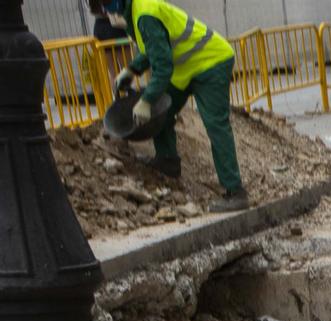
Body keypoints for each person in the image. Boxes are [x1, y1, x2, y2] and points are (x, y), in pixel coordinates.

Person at [101, 0, 245, 211]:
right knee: (162, 113)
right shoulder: (134, 10)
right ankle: (167, 161)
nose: (104, 10)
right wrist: (132, 69)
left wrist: (146, 100)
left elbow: (163, 66)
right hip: (184, 68)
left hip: (210, 61)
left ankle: (235, 192)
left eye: (104, 3)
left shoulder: (144, 13)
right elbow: (155, 48)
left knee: (215, 124)